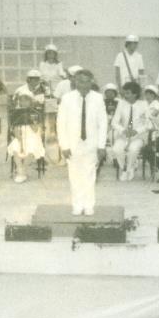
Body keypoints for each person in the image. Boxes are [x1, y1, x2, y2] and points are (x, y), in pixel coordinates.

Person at [57, 69, 107, 215]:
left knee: (90, 174)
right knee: (74, 175)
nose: (83, 85)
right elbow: (61, 124)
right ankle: (77, 205)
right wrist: (64, 145)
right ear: (75, 82)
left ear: (91, 82)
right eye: (80, 81)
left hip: (92, 143)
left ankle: (89, 205)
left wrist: (101, 146)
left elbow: (103, 123)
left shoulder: (98, 98)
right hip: (72, 144)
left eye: (87, 82)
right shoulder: (67, 98)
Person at [111, 82, 150, 181]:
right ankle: (125, 168)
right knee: (116, 149)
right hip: (124, 135)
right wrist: (123, 130)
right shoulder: (121, 104)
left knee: (133, 149)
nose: (125, 95)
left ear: (135, 94)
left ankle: (128, 169)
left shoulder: (144, 104)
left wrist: (136, 131)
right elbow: (114, 122)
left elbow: (148, 124)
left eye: (128, 93)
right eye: (124, 92)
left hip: (139, 135)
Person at [7, 91, 46, 183]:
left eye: (26, 100)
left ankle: (22, 171)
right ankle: (20, 169)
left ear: (30, 101)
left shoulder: (35, 112)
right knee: (15, 145)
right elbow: (15, 129)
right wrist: (19, 138)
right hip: (21, 135)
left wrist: (30, 120)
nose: (23, 103)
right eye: (21, 101)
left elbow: (36, 130)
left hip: (33, 136)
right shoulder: (17, 112)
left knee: (31, 146)